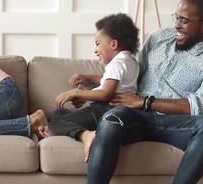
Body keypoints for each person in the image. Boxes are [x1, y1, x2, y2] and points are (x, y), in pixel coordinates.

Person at [86, 0, 203, 184]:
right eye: (176, 17)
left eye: (184, 20)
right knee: (111, 118)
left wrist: (147, 102)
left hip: (176, 125)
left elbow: (200, 106)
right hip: (135, 116)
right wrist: (94, 87)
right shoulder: (159, 37)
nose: (177, 25)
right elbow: (133, 74)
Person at [38, 13, 139, 162]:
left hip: (103, 110)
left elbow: (105, 93)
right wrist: (87, 80)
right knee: (60, 113)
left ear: (114, 44)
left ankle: (86, 135)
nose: (95, 50)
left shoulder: (116, 64)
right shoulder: (129, 61)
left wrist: (75, 92)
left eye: (98, 43)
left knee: (56, 122)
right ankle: (57, 130)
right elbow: (110, 82)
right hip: (113, 111)